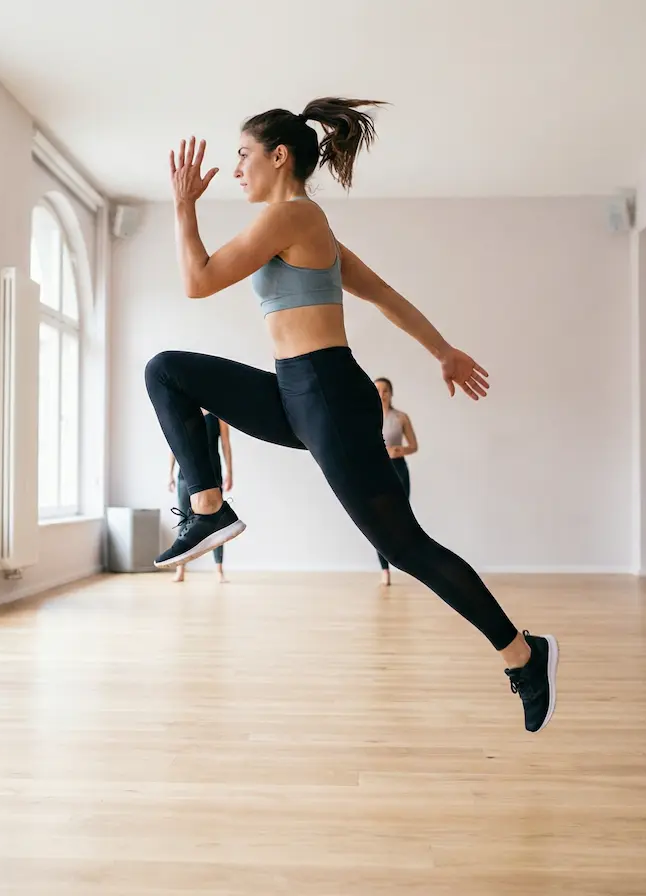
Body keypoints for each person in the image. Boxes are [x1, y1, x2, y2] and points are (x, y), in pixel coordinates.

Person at [144, 98, 558, 733]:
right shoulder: (309, 229)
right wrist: (443, 351)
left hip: (329, 395)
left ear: (279, 157)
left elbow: (197, 281)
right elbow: (383, 294)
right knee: (167, 370)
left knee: (403, 545)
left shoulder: (293, 214)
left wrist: (182, 207)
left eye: (244, 156)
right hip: (298, 392)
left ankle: (524, 655)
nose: (236, 169)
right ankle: (208, 510)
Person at [167, 409, 233, 583]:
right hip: (186, 475)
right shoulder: (184, 412)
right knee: (185, 520)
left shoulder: (219, 415)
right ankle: (180, 569)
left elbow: (225, 444)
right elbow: (175, 445)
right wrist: (170, 474)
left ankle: (219, 570)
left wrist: (230, 472)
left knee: (217, 522)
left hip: (212, 474)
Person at [373, 377, 417, 586]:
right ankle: (384, 569)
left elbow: (414, 446)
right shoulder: (366, 417)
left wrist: (400, 450)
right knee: (378, 520)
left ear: (391, 394)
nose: (381, 394)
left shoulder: (401, 417)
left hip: (398, 469)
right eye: (377, 390)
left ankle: (408, 562)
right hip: (377, 470)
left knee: (400, 519)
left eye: (385, 391)